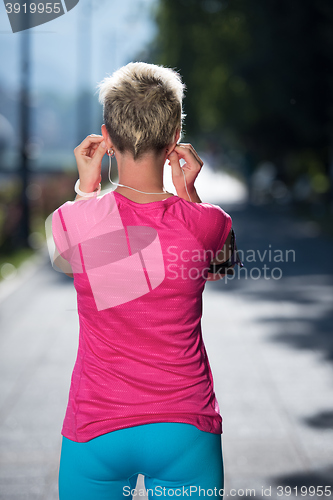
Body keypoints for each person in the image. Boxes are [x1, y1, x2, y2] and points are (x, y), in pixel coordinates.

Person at [50, 62, 242, 500]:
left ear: (108, 140)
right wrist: (189, 193)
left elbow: (68, 252)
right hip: (184, 429)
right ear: (175, 137)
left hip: (95, 429)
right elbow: (222, 265)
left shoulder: (74, 220)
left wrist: (86, 188)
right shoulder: (206, 223)